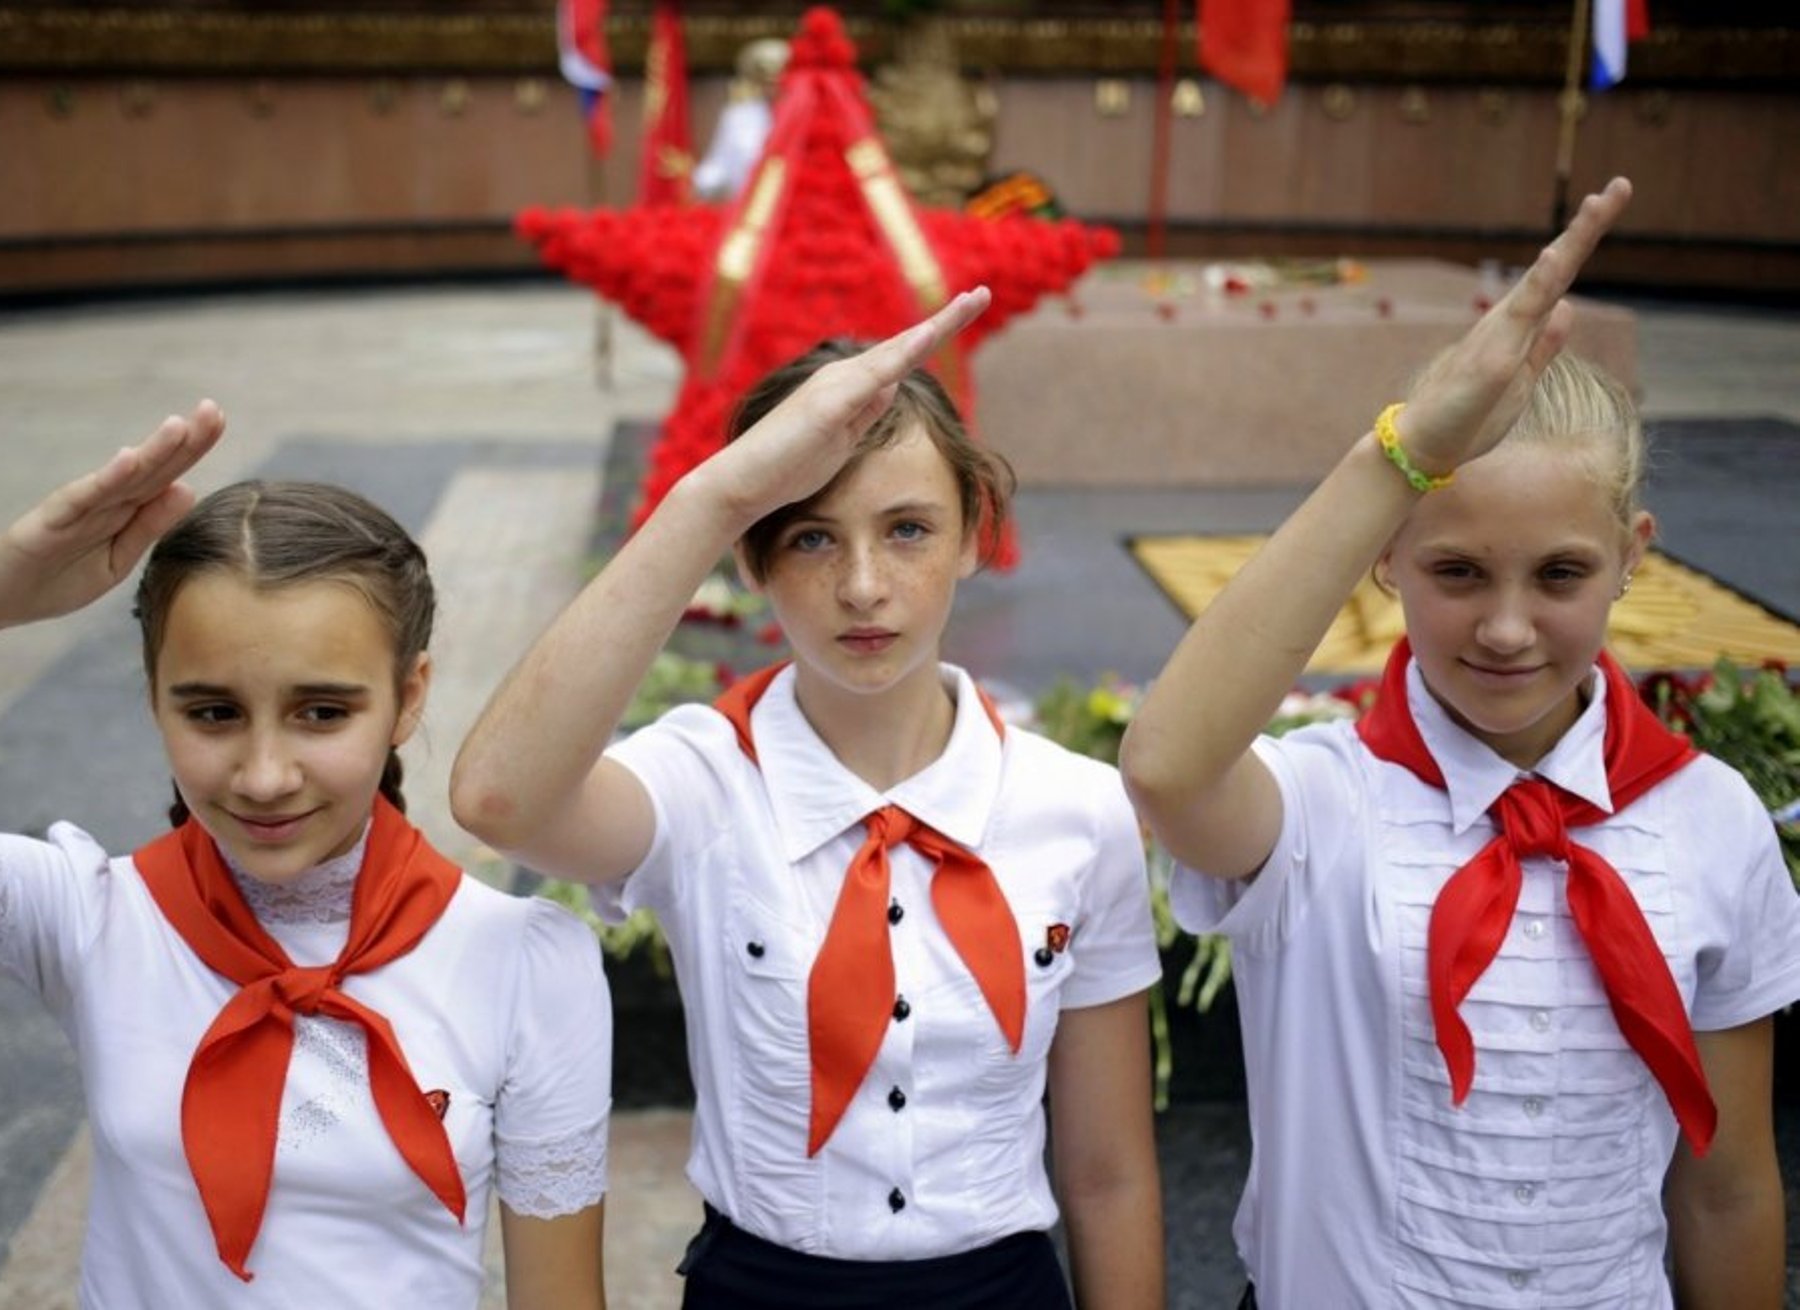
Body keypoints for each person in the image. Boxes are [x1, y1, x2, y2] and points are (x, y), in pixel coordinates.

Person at [1122, 177, 1800, 1309]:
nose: (1501, 625)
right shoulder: (1318, 799)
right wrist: (1394, 463)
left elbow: (1724, 1185)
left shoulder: (1708, 816)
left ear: (1633, 553)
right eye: (1453, 569)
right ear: (1384, 554)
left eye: (1559, 574)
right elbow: (1165, 765)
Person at [0, 404, 611, 1307]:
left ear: (408, 697)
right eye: (213, 713)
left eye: (323, 712)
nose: (264, 777)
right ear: (154, 697)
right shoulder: (89, 913)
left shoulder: (526, 964)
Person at [453, 288, 1165, 1309]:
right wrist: (710, 497)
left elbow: (1108, 1173)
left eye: (907, 529)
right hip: (763, 1285)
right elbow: (496, 796)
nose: (864, 584)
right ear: (752, 557)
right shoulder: (700, 781)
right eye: (811, 539)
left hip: (1001, 1286)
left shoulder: (1074, 807)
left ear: (973, 536)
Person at [693, 37, 789, 201]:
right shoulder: (738, 116)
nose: (773, 88)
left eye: (778, 82)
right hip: (744, 205)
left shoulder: (806, 114)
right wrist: (704, 184)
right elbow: (719, 164)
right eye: (766, 82)